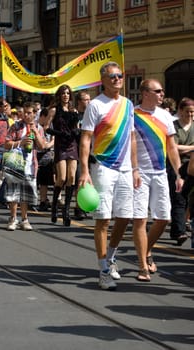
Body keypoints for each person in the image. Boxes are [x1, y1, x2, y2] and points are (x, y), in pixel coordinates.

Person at [79, 61, 140, 290]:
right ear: (103, 80)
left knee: (124, 218)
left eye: (120, 76)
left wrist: (135, 169)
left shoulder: (128, 104)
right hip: (103, 167)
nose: (117, 79)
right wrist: (85, 170)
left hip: (125, 169)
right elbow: (85, 139)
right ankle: (103, 269)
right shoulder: (95, 105)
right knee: (103, 219)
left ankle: (111, 256)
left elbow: (132, 138)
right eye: (112, 76)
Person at [133, 79, 183, 281]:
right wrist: (134, 169)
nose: (162, 94)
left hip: (160, 172)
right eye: (158, 91)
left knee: (163, 218)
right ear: (145, 93)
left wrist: (180, 173)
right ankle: (143, 265)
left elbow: (171, 146)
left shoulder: (165, 116)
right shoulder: (132, 114)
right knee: (140, 219)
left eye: (162, 91)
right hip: (139, 173)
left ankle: (147, 250)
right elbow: (129, 144)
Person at [4, 101, 45, 231]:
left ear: (34, 114)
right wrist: (19, 143)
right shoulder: (16, 126)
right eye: (25, 113)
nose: (26, 115)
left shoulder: (38, 128)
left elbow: (42, 146)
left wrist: (36, 133)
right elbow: (6, 143)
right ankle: (12, 218)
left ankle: (24, 219)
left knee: (26, 194)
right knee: (14, 193)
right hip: (16, 163)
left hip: (30, 165)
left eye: (29, 113)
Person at [47, 84, 79, 226]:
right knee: (62, 177)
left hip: (72, 145)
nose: (65, 95)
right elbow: (46, 127)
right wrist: (59, 133)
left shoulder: (74, 110)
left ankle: (66, 212)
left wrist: (76, 132)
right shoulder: (54, 111)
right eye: (63, 93)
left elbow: (77, 128)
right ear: (59, 95)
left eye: (67, 93)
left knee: (72, 178)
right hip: (60, 145)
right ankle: (54, 207)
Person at [167, 97, 194, 245]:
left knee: (189, 200)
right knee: (179, 198)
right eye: (188, 112)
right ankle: (179, 232)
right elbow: (173, 147)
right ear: (180, 111)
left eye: (193, 112)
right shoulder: (174, 126)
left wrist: (186, 149)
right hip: (175, 166)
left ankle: (181, 227)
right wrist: (192, 148)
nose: (190, 115)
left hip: (192, 166)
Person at [74, 90, 91, 220]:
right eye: (86, 99)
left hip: (92, 151)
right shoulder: (74, 115)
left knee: (91, 181)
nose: (89, 102)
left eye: (89, 99)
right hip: (77, 150)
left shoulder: (91, 115)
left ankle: (87, 205)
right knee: (80, 179)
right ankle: (78, 207)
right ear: (79, 101)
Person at [37, 107, 55, 211]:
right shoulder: (37, 126)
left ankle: (50, 200)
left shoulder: (51, 126)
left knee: (49, 179)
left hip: (49, 153)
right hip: (38, 154)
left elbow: (54, 139)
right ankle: (42, 200)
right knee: (41, 180)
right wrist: (43, 145)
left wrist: (48, 145)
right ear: (43, 116)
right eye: (47, 117)